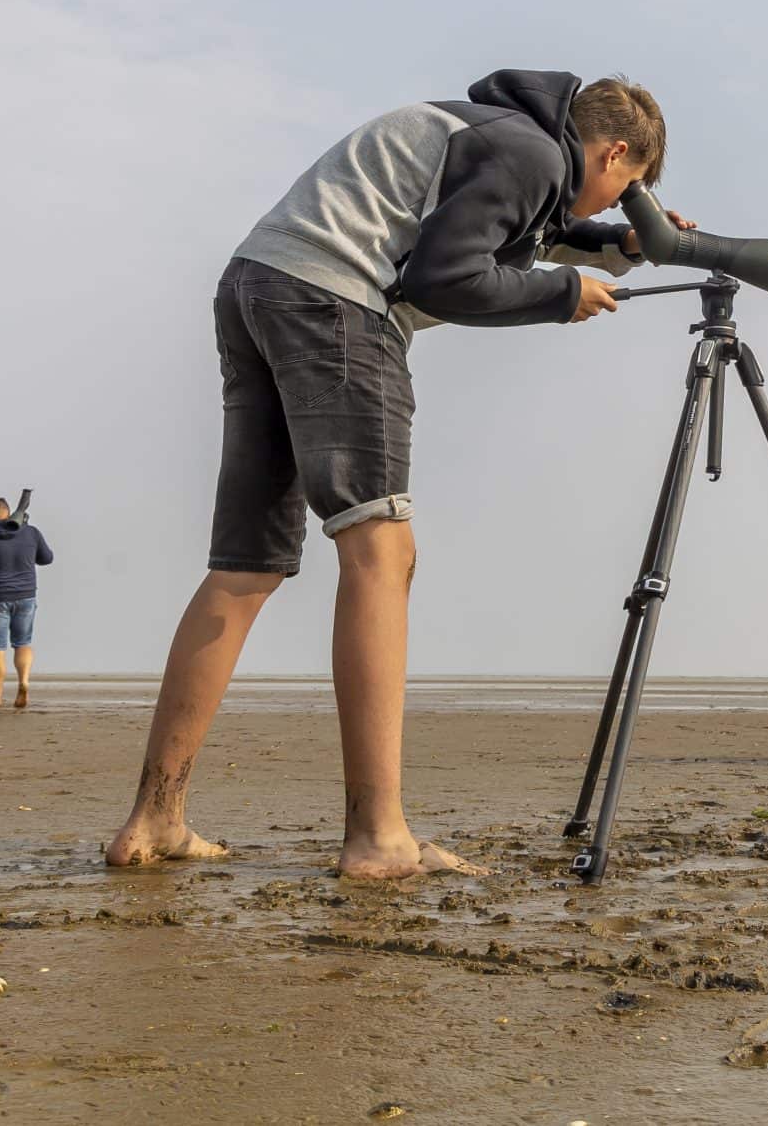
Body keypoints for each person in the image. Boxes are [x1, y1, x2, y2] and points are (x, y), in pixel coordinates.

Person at [106, 71, 685, 880]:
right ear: (613, 150)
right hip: (337, 303)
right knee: (384, 553)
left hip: (259, 284)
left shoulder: (491, 129)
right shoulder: (531, 154)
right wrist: (562, 293)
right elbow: (443, 275)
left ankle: (155, 816)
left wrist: (614, 247)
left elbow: (509, 227)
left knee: (246, 565)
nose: (609, 205)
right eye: (623, 190)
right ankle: (378, 836)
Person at [0, 497, 55, 711]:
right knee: (23, 643)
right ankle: (24, 681)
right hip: (26, 595)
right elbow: (47, 558)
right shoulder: (31, 532)